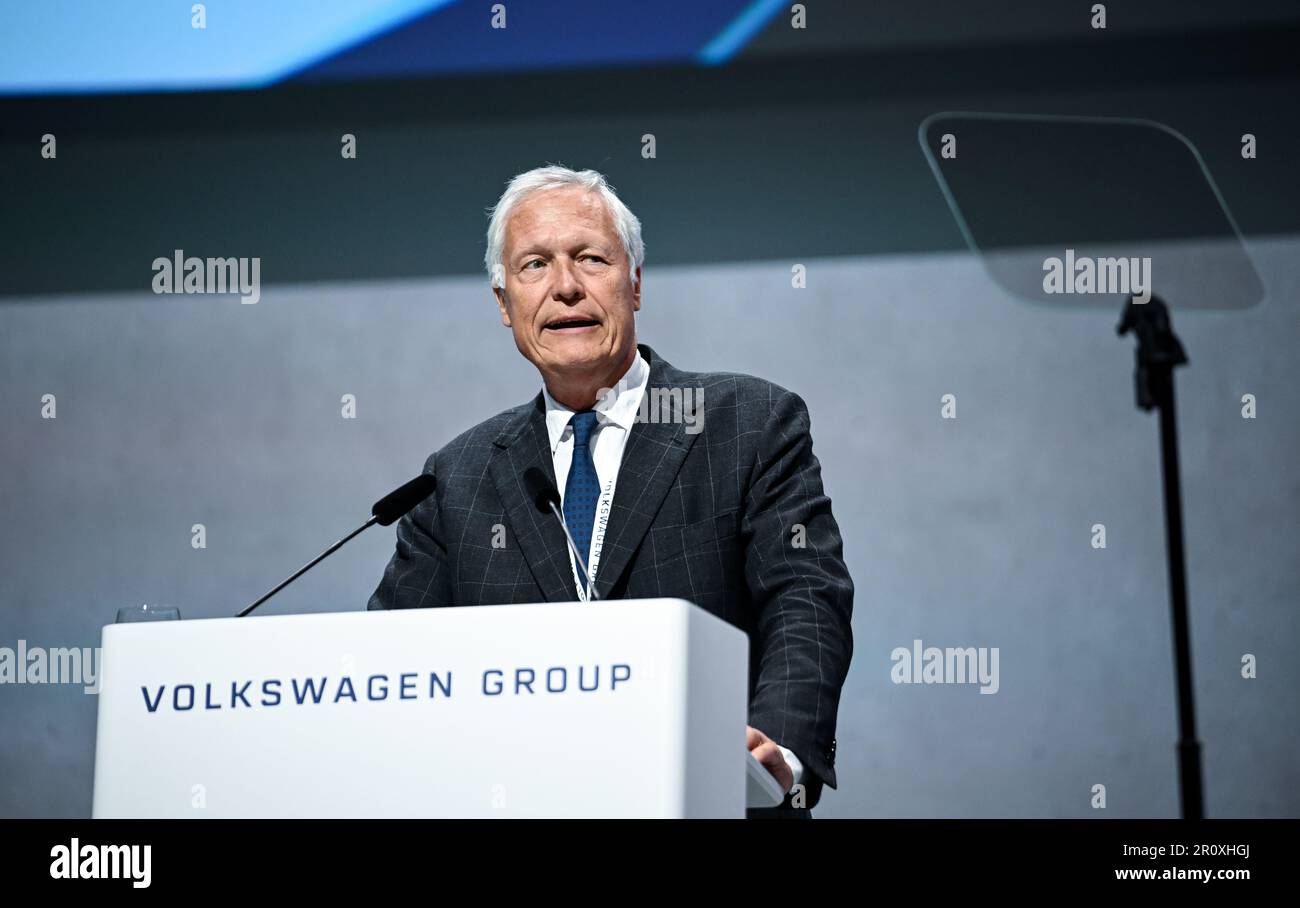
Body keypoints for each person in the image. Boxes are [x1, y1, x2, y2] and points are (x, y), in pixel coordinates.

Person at [370, 165, 853, 816]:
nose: (564, 287)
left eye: (590, 259)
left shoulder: (747, 423)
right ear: (504, 303)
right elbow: (389, 667)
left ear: (634, 284)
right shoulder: (455, 477)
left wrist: (780, 750)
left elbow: (804, 599)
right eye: (534, 265)